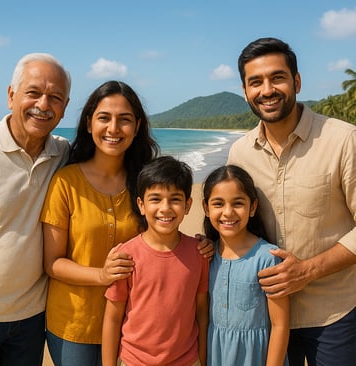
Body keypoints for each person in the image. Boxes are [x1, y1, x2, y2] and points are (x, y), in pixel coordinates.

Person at [41, 83, 213, 366]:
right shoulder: (65, 182)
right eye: (104, 117)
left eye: (124, 119)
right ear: (88, 123)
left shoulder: (144, 180)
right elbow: (53, 262)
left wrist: (200, 245)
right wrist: (103, 275)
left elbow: (163, 236)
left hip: (138, 329)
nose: (113, 128)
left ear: (137, 126)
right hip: (75, 322)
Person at [228, 37, 356, 366]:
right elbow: (234, 221)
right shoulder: (239, 154)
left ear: (296, 81)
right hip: (263, 314)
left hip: (334, 312)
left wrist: (307, 271)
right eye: (255, 82)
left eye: (277, 78)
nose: (266, 89)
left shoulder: (343, 140)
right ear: (245, 91)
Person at [0, 53, 71, 365]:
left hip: (32, 319)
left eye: (55, 97)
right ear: (10, 95)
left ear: (65, 107)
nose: (43, 105)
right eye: (33, 93)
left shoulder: (64, 154)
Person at [102, 156, 209, 366]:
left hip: (187, 360)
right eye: (156, 199)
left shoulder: (199, 254)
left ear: (188, 205)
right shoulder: (126, 255)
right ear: (141, 205)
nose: (165, 208)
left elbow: (202, 312)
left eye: (175, 199)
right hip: (134, 361)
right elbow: (112, 318)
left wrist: (203, 359)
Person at [203, 164, 289, 366]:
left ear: (253, 207)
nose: (228, 212)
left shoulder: (267, 257)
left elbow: (280, 324)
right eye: (218, 204)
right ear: (206, 208)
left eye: (238, 203)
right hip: (216, 356)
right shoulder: (205, 255)